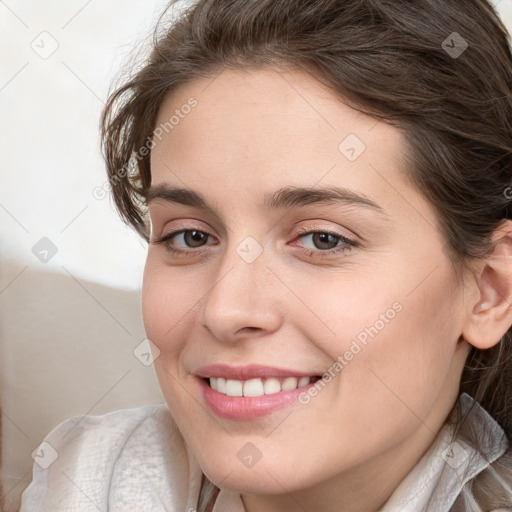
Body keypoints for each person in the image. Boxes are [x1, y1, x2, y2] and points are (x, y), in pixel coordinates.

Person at [19, 0, 512, 510]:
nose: (226, 310)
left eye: (323, 239)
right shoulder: (89, 480)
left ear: (488, 290)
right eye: (190, 236)